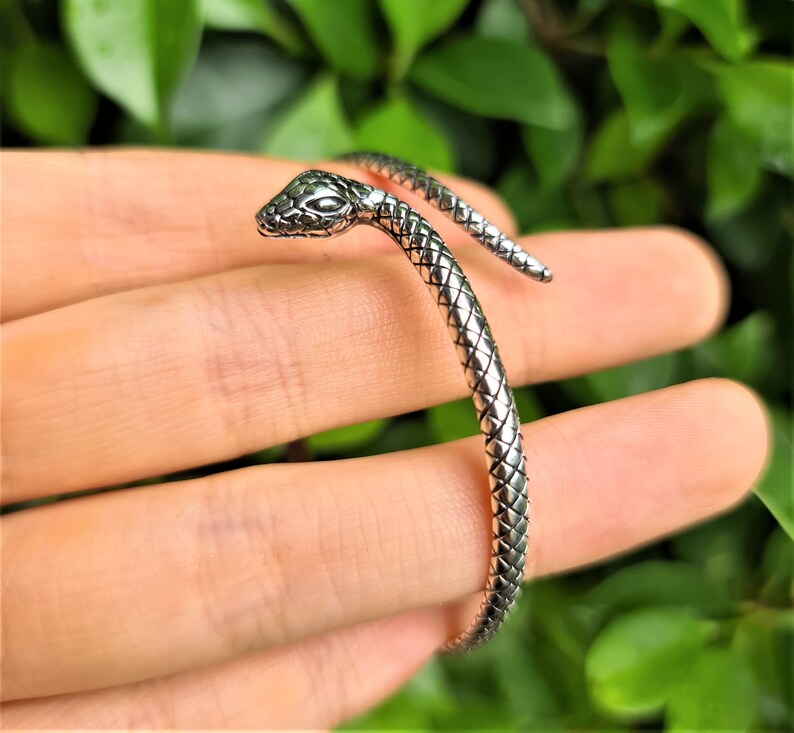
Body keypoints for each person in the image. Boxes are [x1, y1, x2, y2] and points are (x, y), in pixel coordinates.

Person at [0, 150, 769, 728]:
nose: (287, 222)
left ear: (341, 212)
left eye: (308, 215)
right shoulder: (360, 208)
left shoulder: (386, 216)